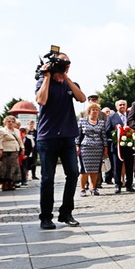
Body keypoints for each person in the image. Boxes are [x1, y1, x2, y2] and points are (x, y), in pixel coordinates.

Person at [35, 52, 86, 229]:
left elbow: (82, 98)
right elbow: (41, 100)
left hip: (67, 135)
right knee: (47, 178)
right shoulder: (43, 82)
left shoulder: (70, 84)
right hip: (47, 137)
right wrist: (47, 77)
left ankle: (66, 212)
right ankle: (46, 217)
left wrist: (66, 78)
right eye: (62, 64)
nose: (65, 66)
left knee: (73, 173)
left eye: (67, 64)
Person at [77, 102, 108, 197]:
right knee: (84, 169)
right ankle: (82, 189)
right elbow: (77, 135)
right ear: (89, 111)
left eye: (96, 110)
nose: (95, 111)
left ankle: (93, 187)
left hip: (98, 147)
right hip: (85, 147)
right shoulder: (82, 121)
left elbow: (104, 136)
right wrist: (77, 146)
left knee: (95, 170)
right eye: (93, 110)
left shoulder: (102, 123)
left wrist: (105, 148)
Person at [105, 99, 135, 194]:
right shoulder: (111, 117)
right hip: (117, 146)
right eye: (120, 105)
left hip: (130, 146)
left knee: (130, 166)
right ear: (116, 107)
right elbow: (107, 131)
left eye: (124, 105)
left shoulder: (131, 115)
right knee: (117, 166)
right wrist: (116, 135)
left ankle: (129, 185)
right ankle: (118, 185)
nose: (122, 106)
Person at [0, 116, 23, 192]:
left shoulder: (16, 131)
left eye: (12, 121)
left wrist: (22, 148)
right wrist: (0, 149)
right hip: (6, 151)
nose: (11, 123)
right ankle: (4, 184)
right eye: (9, 121)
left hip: (15, 151)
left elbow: (20, 140)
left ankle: (11, 183)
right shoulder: (2, 130)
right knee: (5, 168)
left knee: (14, 167)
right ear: (5, 122)